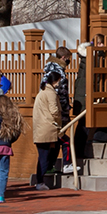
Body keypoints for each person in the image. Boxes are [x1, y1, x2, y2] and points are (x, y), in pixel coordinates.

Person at [31, 60, 66, 190]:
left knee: (43, 156)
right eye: (58, 81)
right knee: (65, 143)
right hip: (49, 128)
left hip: (41, 128)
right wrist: (59, 122)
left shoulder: (42, 91)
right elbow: (54, 111)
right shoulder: (50, 93)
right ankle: (66, 164)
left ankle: (40, 180)